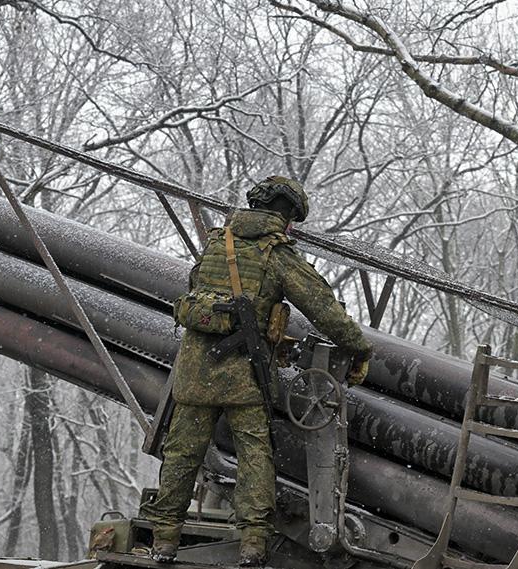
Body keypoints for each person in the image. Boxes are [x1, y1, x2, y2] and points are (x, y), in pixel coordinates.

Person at [139, 176, 373, 567]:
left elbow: (196, 290)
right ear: (286, 217)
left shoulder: (217, 243)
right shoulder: (276, 254)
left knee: (182, 453)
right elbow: (321, 306)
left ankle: (164, 540)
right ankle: (252, 544)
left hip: (195, 371)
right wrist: (359, 347)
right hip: (244, 373)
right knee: (254, 457)